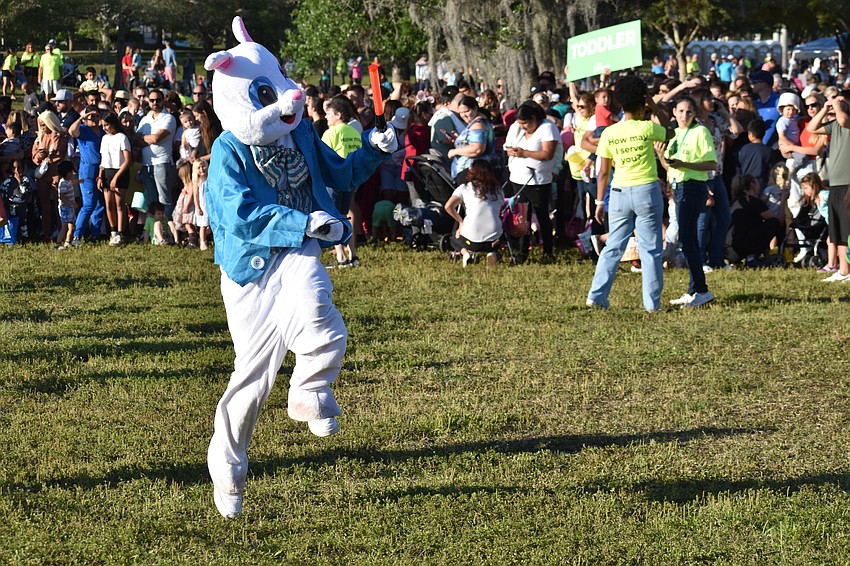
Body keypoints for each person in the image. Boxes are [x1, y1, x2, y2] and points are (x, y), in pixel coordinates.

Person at [586, 76, 673, 312]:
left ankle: (596, 296)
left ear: (620, 103)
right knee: (651, 249)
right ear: (642, 102)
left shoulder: (610, 133)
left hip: (618, 192)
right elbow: (670, 131)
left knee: (614, 246)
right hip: (646, 189)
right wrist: (654, 106)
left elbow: (603, 171)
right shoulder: (647, 128)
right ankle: (652, 304)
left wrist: (598, 201)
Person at [659, 96, 717, 307]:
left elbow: (711, 164)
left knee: (687, 237)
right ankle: (694, 289)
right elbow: (672, 167)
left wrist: (685, 163)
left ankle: (701, 289)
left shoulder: (700, 132)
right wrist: (662, 157)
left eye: (689, 112)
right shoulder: (675, 133)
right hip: (679, 187)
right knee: (687, 237)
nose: (684, 116)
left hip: (693, 187)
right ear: (674, 112)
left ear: (695, 114)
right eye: (681, 111)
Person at [504, 102, 560, 261]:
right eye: (519, 123)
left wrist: (524, 153)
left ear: (534, 118)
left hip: (538, 181)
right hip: (518, 178)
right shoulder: (517, 128)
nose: (522, 127)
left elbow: (548, 154)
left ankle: (548, 252)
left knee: (542, 215)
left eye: (525, 123)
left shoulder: (548, 128)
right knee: (522, 217)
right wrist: (512, 151)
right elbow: (508, 146)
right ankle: (522, 251)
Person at [806, 92, 850, 281]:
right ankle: (843, 270)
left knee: (848, 228)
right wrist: (825, 108)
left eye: (841, 100)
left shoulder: (845, 121)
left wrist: (838, 105)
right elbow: (812, 128)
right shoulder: (835, 124)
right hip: (836, 183)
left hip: (849, 183)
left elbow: (843, 120)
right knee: (838, 228)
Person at [443, 158, 504, 267]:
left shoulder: (465, 188)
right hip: (494, 240)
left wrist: (461, 222)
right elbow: (500, 209)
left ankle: (466, 253)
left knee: (454, 239)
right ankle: (491, 252)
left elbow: (448, 206)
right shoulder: (498, 190)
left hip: (471, 240)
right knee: (495, 234)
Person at [135, 88, 177, 217]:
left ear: (163, 100)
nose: (155, 103)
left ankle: (167, 230)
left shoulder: (168, 118)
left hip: (162, 162)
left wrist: (145, 138)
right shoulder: (144, 119)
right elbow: (136, 140)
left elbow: (156, 138)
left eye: (158, 100)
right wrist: (148, 139)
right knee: (152, 200)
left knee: (165, 199)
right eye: (152, 100)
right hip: (146, 164)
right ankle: (154, 231)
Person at [726, 173, 783, 264]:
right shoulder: (754, 201)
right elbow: (778, 221)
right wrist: (783, 199)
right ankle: (752, 256)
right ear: (752, 184)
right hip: (742, 248)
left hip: (729, 250)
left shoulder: (735, 202)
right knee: (773, 223)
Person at [68, 106, 104, 245]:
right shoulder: (83, 129)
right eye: (91, 116)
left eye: (96, 116)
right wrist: (82, 117)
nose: (93, 119)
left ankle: (95, 235)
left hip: (101, 170)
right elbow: (71, 131)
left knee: (100, 204)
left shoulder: (102, 131)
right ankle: (76, 235)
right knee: (89, 204)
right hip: (87, 170)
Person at [32, 109, 69, 243]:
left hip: (56, 173)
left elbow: (60, 149)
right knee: (45, 206)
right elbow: (34, 157)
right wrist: (40, 156)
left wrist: (54, 134)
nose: (42, 128)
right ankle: (46, 232)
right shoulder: (39, 138)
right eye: (40, 125)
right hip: (43, 175)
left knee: (59, 205)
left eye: (44, 125)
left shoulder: (60, 135)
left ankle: (61, 231)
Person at [99, 112, 132, 245]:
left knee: (119, 204)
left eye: (107, 125)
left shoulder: (122, 138)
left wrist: (116, 177)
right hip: (107, 172)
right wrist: (100, 176)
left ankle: (120, 232)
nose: (105, 128)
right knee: (109, 204)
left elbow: (127, 160)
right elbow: (103, 159)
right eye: (103, 126)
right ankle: (113, 231)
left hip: (120, 172)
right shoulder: (104, 138)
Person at [447, 95, 496, 183]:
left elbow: (477, 149)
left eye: (467, 111)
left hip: (474, 172)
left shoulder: (477, 125)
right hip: (474, 171)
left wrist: (455, 151)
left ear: (475, 109)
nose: (463, 115)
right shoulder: (477, 123)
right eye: (461, 112)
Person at [55, 160, 80, 250]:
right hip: (65, 208)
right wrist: (71, 204)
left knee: (72, 226)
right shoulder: (63, 183)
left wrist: (79, 181)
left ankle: (67, 242)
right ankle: (58, 243)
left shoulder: (68, 181)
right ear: (67, 172)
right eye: (71, 172)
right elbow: (62, 197)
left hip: (69, 208)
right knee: (64, 226)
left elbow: (72, 183)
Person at [192, 159, 210, 250]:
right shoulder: (197, 182)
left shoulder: (210, 179)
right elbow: (195, 196)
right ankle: (202, 242)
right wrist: (197, 207)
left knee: (211, 224)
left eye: (203, 166)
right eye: (199, 167)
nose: (201, 169)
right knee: (203, 225)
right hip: (202, 206)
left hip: (210, 205)